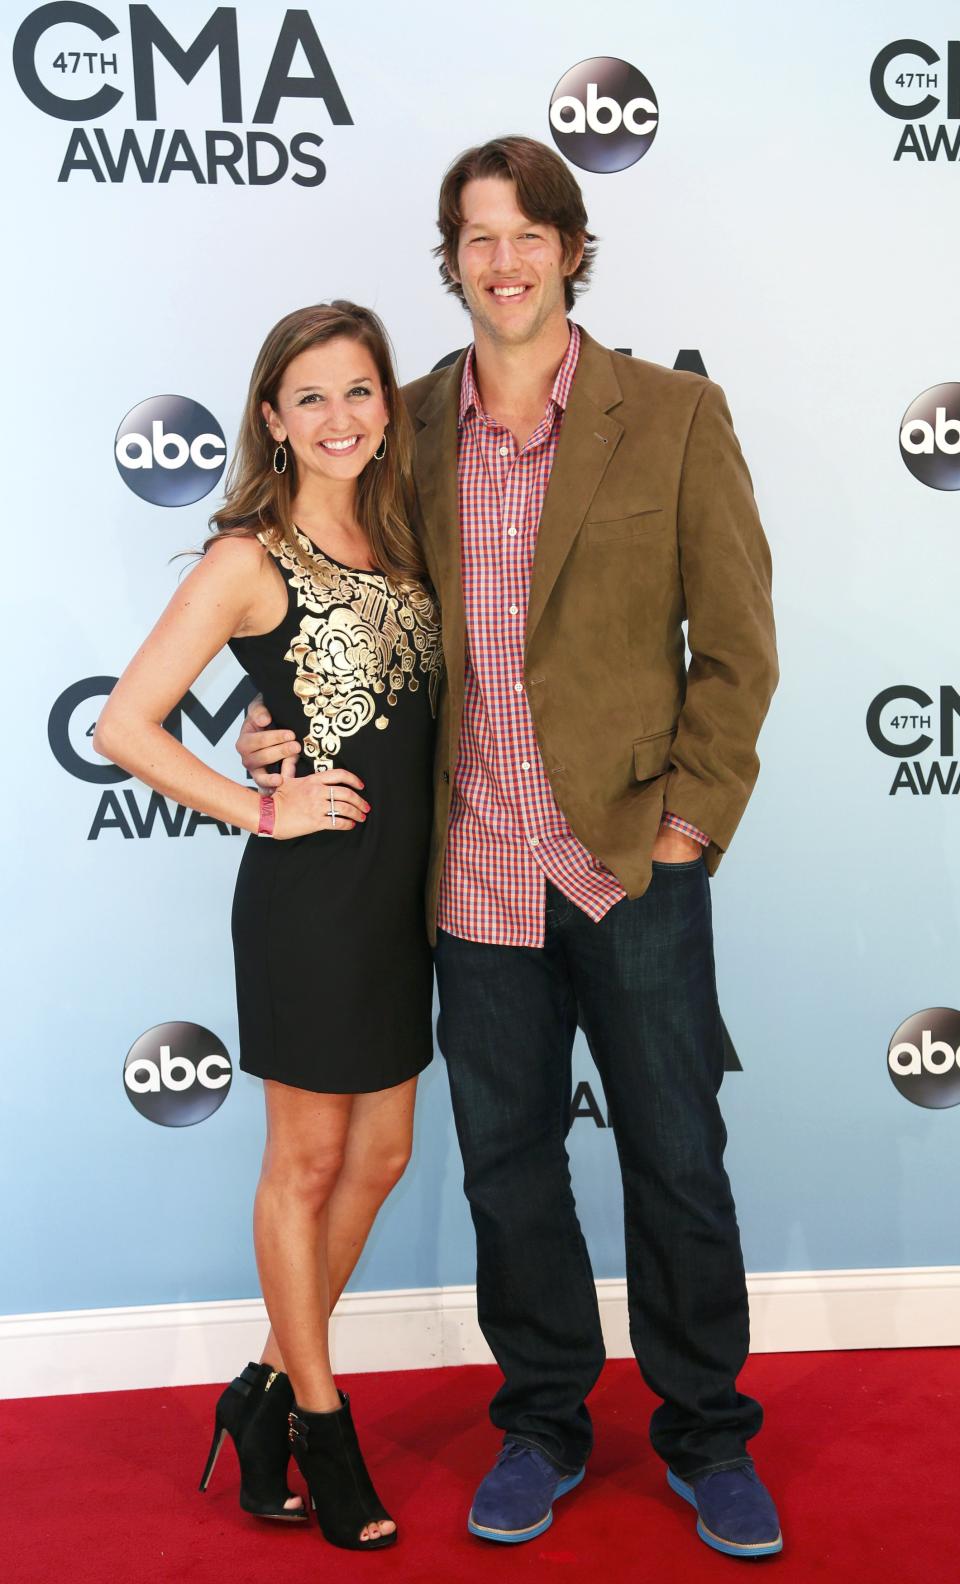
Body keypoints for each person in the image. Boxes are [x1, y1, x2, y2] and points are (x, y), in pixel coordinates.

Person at [239, 136, 781, 1560]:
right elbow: (320, 594)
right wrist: (268, 728)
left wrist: (686, 824)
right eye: (476, 237)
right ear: (451, 261)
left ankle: (708, 1435)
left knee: (676, 1158)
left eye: (528, 231)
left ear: (571, 247)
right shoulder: (402, 424)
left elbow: (737, 651)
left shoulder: (670, 415)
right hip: (471, 880)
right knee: (507, 1174)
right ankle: (542, 1420)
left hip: (631, 869)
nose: (504, 259)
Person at [95, 300, 443, 1552]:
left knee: (383, 1156)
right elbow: (123, 725)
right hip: (313, 901)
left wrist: (267, 723)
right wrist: (258, 800)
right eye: (311, 397)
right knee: (303, 1165)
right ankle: (321, 1424)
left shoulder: (405, 534)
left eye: (360, 391)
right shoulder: (248, 556)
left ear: (387, 406)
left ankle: (255, 1398)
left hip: (406, 897)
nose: (341, 417)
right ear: (271, 418)